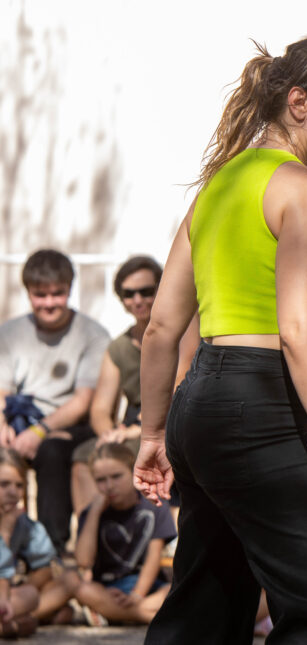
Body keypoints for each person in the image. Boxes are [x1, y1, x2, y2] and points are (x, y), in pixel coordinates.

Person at [133, 36, 307, 643]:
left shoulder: (215, 188)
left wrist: (154, 432)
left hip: (200, 407)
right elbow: (298, 332)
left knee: (206, 605)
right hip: (256, 409)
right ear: (299, 102)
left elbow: (162, 327)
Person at [0, 249, 110, 555]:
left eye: (57, 294)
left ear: (69, 290)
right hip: (19, 422)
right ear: (28, 293)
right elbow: (2, 391)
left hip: (71, 427)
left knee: (51, 450)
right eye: (40, 295)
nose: (49, 303)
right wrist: (3, 426)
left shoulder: (93, 334)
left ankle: (51, 550)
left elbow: (83, 401)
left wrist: (38, 432)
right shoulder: (9, 333)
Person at [70, 256, 162, 515]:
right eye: (129, 293)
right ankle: (94, 538)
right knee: (84, 456)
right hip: (131, 427)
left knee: (137, 454)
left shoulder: (180, 333)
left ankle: (152, 535)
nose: (138, 300)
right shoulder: (118, 347)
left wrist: (136, 432)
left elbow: (178, 389)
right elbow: (100, 408)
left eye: (146, 291)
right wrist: (109, 435)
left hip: (167, 422)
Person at [53, 442, 176, 625]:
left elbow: (153, 558)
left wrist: (137, 595)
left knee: (173, 590)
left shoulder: (153, 505)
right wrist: (94, 513)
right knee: (80, 587)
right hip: (106, 588)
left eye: (116, 476)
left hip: (147, 587)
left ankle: (114, 614)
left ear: (133, 471)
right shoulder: (92, 512)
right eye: (101, 480)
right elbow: (84, 561)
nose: (109, 486)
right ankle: (145, 616)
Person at [0, 448, 54, 637]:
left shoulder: (22, 523)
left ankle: (9, 620)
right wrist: (5, 533)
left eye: (19, 485)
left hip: (5, 594)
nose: (13, 492)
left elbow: (46, 567)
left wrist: (7, 591)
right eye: (4, 484)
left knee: (30, 594)